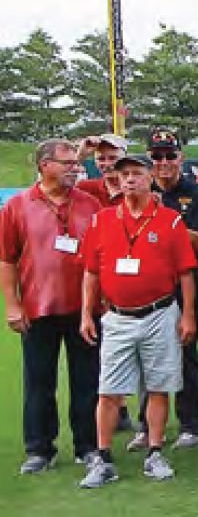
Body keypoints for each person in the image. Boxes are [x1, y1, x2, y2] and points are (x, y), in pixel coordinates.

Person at [77, 151, 198, 488]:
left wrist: (188, 315)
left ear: (150, 178)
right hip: (116, 316)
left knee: (160, 386)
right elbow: (90, 272)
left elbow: (186, 273)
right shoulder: (102, 220)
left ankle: (155, 450)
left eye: (136, 173)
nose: (129, 179)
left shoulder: (170, 220)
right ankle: (102, 458)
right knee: (109, 390)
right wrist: (87, 312)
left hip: (160, 312)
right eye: (123, 174)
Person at [4, 139, 102, 473]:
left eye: (77, 163)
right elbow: (6, 260)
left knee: (87, 380)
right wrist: (13, 305)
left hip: (85, 309)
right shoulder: (17, 206)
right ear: (45, 165)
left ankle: (88, 446)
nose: (76, 168)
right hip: (37, 307)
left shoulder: (90, 204)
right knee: (39, 381)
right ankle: (39, 449)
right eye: (68, 163)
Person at [133, 128, 198, 450]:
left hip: (183, 286)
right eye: (157, 156)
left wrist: (166, 223)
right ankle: (147, 425)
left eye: (169, 155)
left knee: (184, 353)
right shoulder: (140, 191)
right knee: (145, 358)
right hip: (146, 287)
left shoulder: (195, 193)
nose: (163, 162)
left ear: (180, 157)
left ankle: (192, 423)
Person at [76, 134, 129, 206]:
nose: (107, 164)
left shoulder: (139, 189)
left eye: (113, 158)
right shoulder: (85, 188)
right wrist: (80, 156)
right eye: (101, 159)